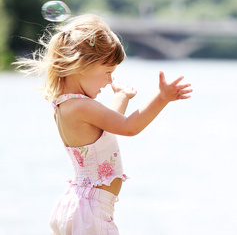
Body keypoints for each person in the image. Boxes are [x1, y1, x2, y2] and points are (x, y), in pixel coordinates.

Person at [15, 14, 192, 234]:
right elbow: (128, 126)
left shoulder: (67, 105)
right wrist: (162, 98)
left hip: (78, 205)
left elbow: (107, 127)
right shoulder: (82, 106)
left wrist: (122, 97)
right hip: (91, 212)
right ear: (82, 65)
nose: (109, 81)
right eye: (108, 72)